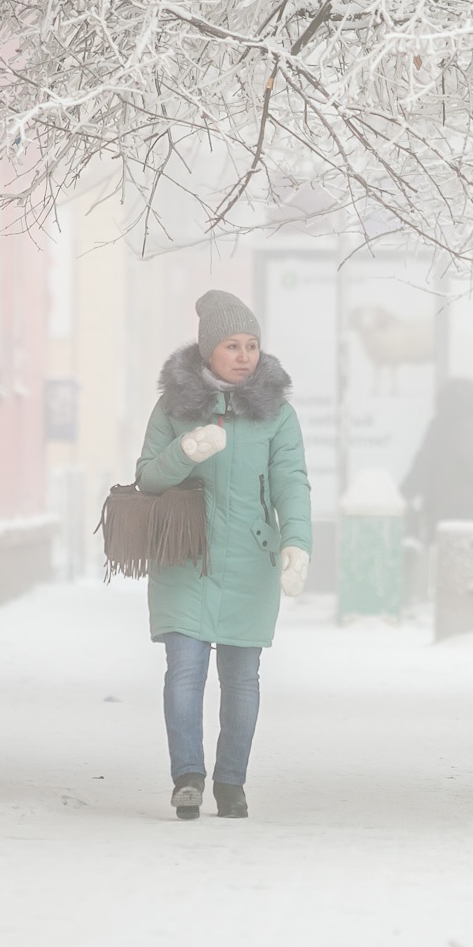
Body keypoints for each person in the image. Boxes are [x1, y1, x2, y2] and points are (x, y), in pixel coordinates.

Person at [136, 290, 312, 821]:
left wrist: (297, 542)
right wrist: (184, 451)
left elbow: (292, 482)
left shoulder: (277, 414)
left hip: (250, 561)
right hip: (185, 557)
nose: (244, 355)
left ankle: (231, 782)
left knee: (241, 679)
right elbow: (147, 478)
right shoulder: (173, 407)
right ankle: (187, 777)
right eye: (232, 345)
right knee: (184, 672)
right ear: (208, 350)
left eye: (252, 345)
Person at [400, 377, 473, 541]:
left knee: (447, 564)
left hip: (445, 520)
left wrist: (400, 497)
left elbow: (421, 470)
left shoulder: (439, 431)